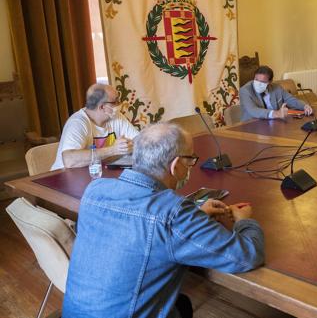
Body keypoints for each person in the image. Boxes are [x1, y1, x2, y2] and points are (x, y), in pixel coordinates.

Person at [63, 122, 264, 318]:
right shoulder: (173, 214)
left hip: (74, 313)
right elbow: (246, 256)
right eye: (190, 160)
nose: (191, 166)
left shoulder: (95, 190)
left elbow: (134, 229)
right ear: (175, 166)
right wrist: (243, 221)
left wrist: (197, 215)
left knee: (181, 304)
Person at [51, 84, 139, 170]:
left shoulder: (116, 116)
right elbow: (69, 160)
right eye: (115, 102)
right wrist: (113, 150)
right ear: (102, 107)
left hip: (95, 174)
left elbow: (139, 140)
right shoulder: (77, 122)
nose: (119, 104)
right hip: (64, 177)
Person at [239, 65, 313, 122]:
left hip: (274, 125)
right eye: (256, 80)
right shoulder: (245, 90)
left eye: (262, 82)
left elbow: (290, 99)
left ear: (270, 82)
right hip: (252, 126)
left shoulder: (276, 87)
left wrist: (304, 106)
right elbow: (253, 110)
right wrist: (277, 113)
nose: (258, 83)